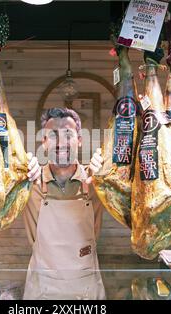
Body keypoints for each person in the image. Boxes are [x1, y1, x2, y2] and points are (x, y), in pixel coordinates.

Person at [22, 107, 106, 300]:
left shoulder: (97, 182)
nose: (61, 143)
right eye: (52, 136)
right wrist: (20, 169)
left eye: (68, 134)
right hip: (41, 292)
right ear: (43, 142)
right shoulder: (29, 181)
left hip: (87, 294)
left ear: (80, 140)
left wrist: (108, 173)